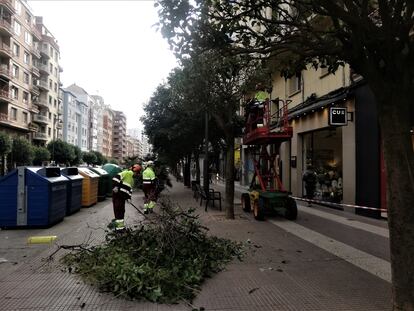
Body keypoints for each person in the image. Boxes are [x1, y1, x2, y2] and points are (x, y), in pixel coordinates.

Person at [109, 164, 141, 230]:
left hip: (122, 198)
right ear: (135, 171)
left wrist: (129, 198)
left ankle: (120, 227)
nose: (137, 175)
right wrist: (115, 187)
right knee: (118, 211)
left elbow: (130, 190)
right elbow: (115, 178)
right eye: (137, 173)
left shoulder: (132, 180)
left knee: (122, 211)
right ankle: (118, 229)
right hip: (117, 196)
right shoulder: (126, 173)